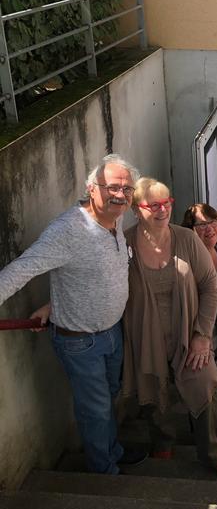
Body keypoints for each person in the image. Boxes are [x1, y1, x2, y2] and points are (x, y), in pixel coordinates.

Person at [0, 153, 144, 475]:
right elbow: (23, 269)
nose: (121, 194)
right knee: (96, 409)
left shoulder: (115, 219)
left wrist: (53, 305)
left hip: (111, 332)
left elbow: (86, 276)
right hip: (80, 341)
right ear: (92, 188)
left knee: (108, 398)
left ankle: (112, 451)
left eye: (127, 188)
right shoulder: (68, 230)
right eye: (112, 187)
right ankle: (104, 472)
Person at [122, 178, 217, 476]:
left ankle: (211, 449)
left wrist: (202, 335)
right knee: (152, 388)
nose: (162, 210)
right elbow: (104, 284)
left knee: (205, 381)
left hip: (188, 331)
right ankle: (162, 440)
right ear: (136, 209)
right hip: (145, 334)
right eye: (153, 205)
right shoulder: (124, 243)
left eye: (167, 203)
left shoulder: (186, 238)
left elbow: (210, 286)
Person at [181, 202, 217, 443]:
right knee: (207, 387)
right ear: (190, 229)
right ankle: (209, 440)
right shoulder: (188, 258)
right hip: (200, 333)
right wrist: (199, 335)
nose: (209, 228)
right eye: (201, 225)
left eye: (212, 222)